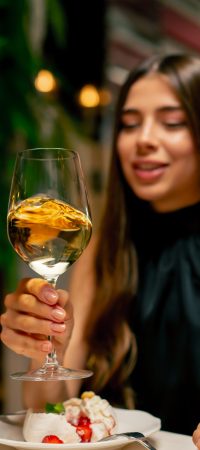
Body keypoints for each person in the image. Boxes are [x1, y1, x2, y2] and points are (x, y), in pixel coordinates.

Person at [1, 53, 200, 438]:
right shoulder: (107, 241)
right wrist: (42, 349)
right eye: (128, 124)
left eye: (172, 122)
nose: (143, 140)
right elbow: (49, 406)